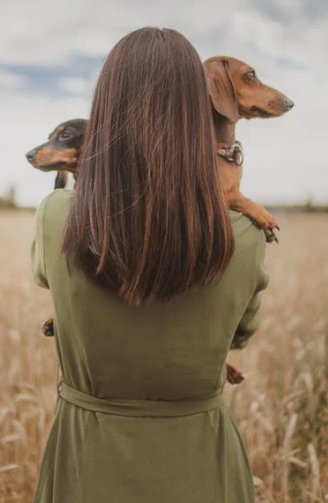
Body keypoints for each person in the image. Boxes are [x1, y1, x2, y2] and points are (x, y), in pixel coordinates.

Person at [31, 27, 268, 503]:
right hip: (204, 466)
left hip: (86, 463)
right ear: (200, 113)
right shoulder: (246, 232)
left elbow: (45, 277)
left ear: (106, 110)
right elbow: (239, 335)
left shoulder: (57, 215)